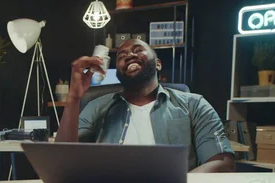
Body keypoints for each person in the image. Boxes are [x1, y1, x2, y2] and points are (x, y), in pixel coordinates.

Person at [55, 39, 235, 173]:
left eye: (138, 50)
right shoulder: (97, 107)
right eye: (122, 56)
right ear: (117, 72)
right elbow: (62, 159)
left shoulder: (194, 104)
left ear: (158, 63)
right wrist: (73, 98)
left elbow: (221, 162)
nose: (129, 55)